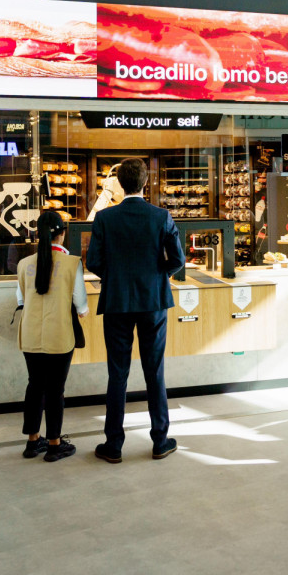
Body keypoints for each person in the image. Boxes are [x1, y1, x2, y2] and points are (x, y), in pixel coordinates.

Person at [86, 158, 185, 463]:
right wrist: (158, 277)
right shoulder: (161, 216)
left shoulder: (105, 218)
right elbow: (177, 259)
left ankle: (114, 445)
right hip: (153, 301)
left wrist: (116, 278)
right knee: (154, 371)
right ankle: (160, 440)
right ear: (146, 183)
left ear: (119, 184)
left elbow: (93, 262)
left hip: (117, 301)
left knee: (118, 373)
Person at [15, 211, 87, 463]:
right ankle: (55, 444)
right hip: (60, 334)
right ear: (63, 233)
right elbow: (82, 305)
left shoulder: (24, 264)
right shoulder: (72, 263)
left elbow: (21, 299)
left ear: (37, 235)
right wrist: (81, 311)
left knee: (35, 384)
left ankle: (33, 442)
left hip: (31, 333)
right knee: (55, 389)